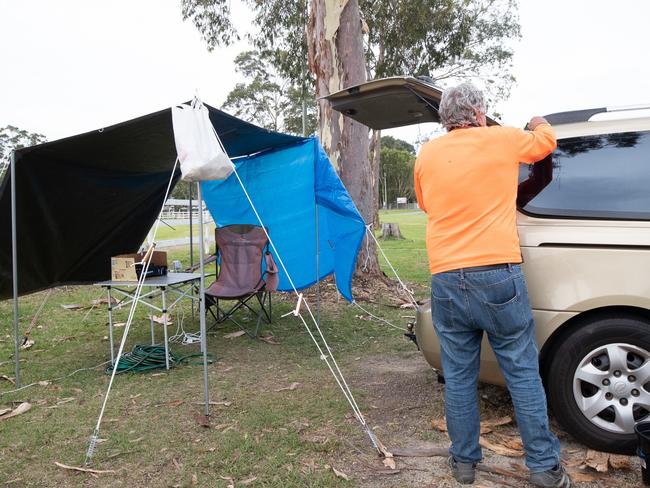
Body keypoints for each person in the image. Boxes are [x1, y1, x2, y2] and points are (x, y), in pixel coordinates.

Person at [414, 82, 572, 488]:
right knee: (521, 371)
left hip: (447, 276)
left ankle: (464, 463)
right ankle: (544, 469)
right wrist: (536, 119)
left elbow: (428, 203)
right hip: (497, 273)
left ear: (445, 118)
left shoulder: (427, 153)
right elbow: (546, 142)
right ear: (480, 113)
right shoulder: (500, 139)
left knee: (459, 375)